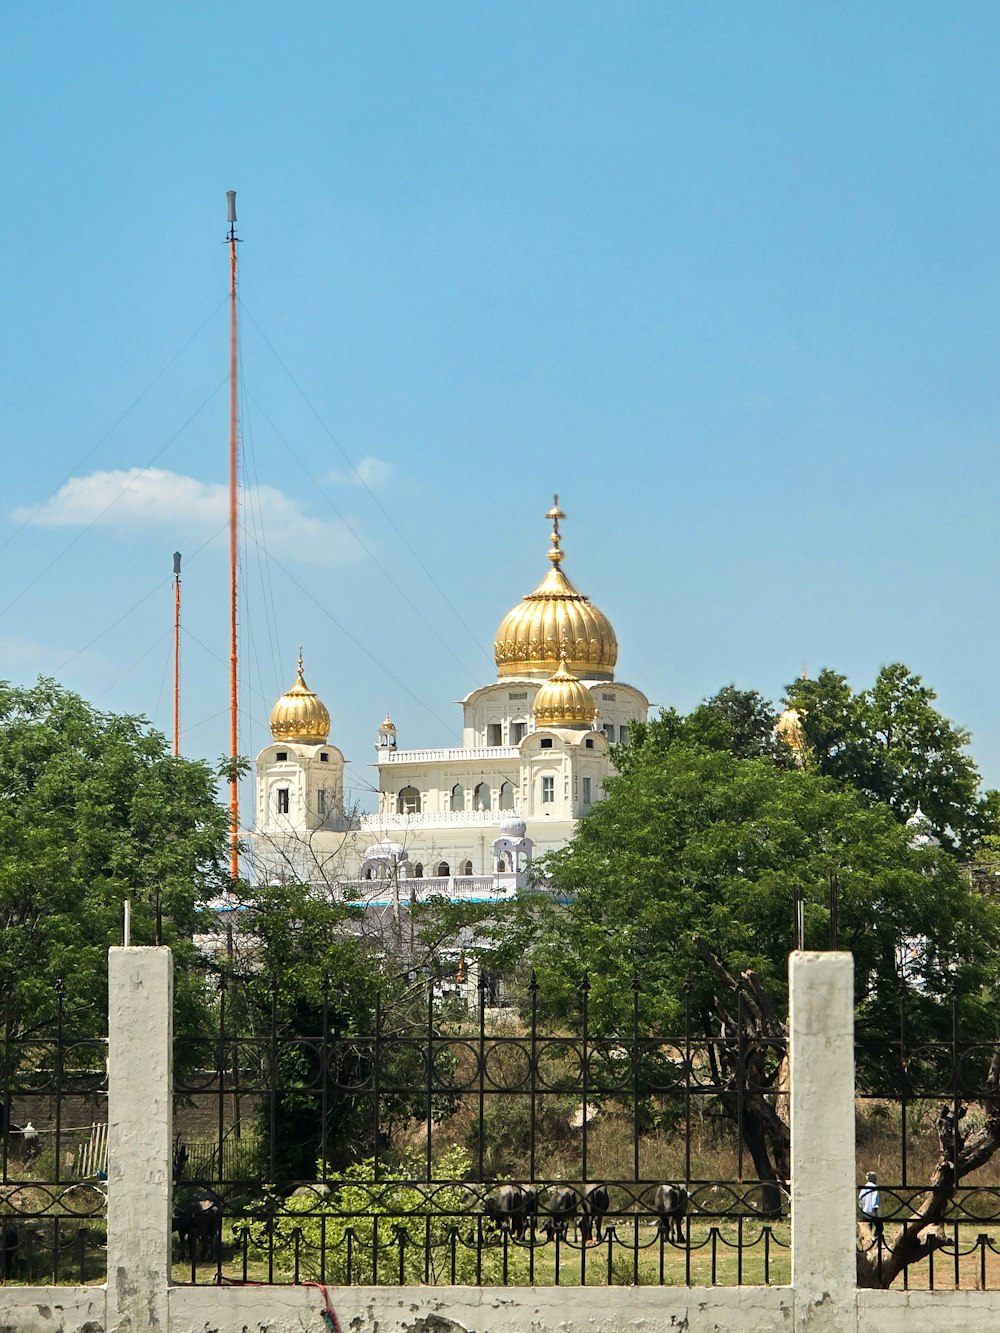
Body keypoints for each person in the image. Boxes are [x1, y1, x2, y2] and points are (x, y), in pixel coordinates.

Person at [858, 1171, 883, 1238]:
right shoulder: (875, 1187)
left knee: (868, 1228)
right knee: (880, 1227)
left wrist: (861, 1209)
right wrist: (875, 1208)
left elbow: (861, 1199)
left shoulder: (864, 1188)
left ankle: (868, 1240)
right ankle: (877, 1238)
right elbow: (875, 1199)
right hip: (872, 1211)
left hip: (865, 1212)